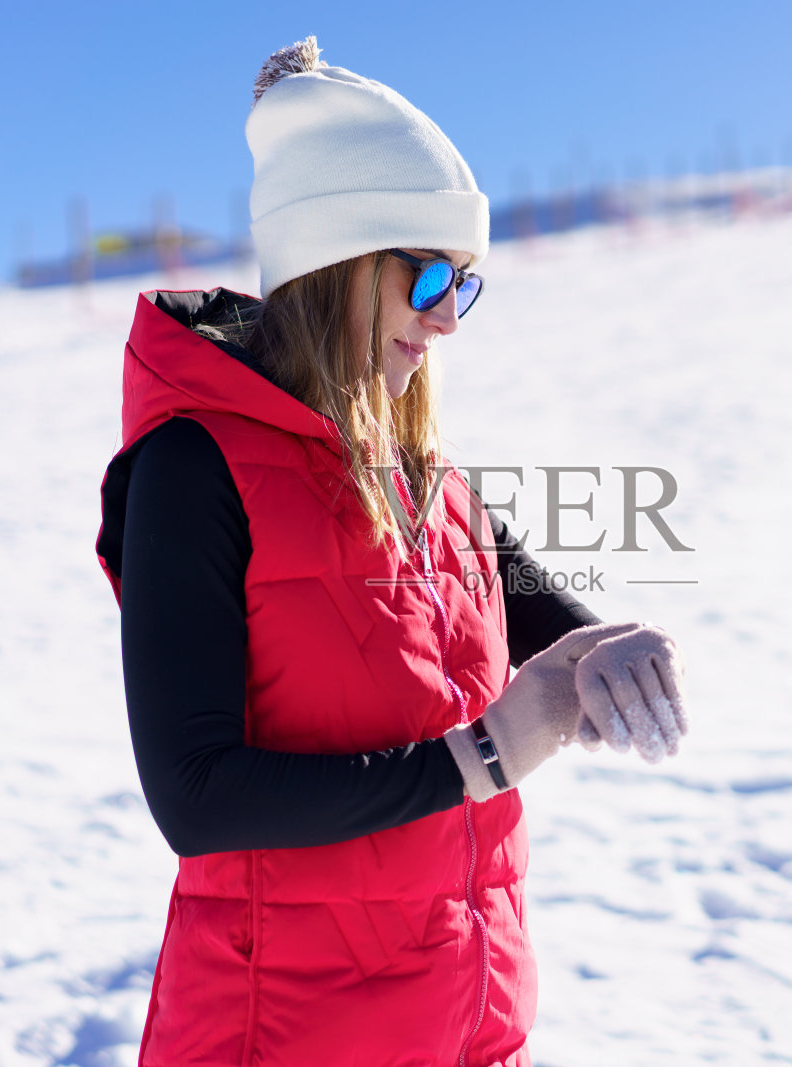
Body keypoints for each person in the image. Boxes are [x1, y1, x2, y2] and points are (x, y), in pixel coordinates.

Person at [93, 37, 689, 1067]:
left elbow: (547, 624)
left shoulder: (434, 481)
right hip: (282, 1038)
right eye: (428, 278)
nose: (449, 320)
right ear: (336, 263)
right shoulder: (193, 468)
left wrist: (612, 649)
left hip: (472, 1029)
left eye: (466, 285)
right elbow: (195, 794)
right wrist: (485, 754)